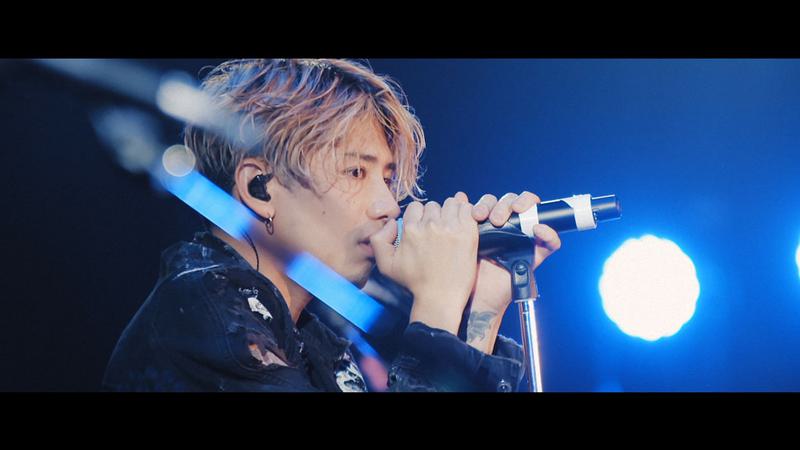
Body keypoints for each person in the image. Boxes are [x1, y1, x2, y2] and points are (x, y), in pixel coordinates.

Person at [102, 59, 561, 392]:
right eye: (355, 172)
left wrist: (482, 304)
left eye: (388, 179)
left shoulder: (317, 335)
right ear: (260, 187)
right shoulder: (205, 317)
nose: (389, 206)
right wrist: (437, 302)